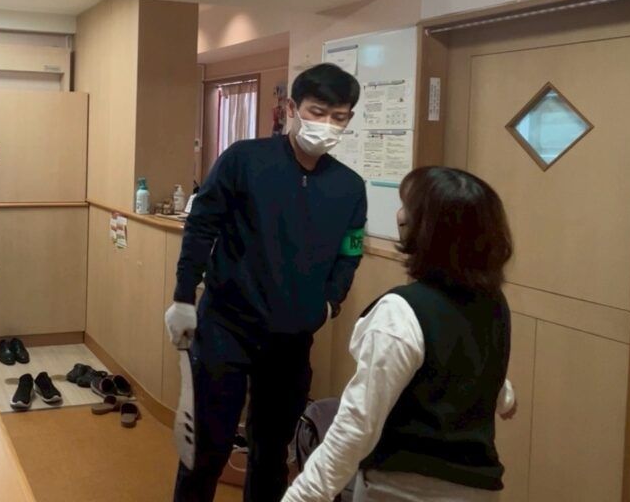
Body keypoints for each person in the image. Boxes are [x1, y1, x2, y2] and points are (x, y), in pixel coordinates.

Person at [166, 63, 368, 502]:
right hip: (226, 329)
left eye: (339, 117)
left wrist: (330, 303)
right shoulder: (244, 160)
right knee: (206, 448)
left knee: (271, 452)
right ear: (293, 108)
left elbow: (350, 253)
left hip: (291, 342)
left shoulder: (349, 187)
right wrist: (183, 297)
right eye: (317, 112)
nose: (327, 125)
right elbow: (201, 227)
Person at [282, 166, 517, 502]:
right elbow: (472, 366)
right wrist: (505, 397)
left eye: (407, 207)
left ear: (427, 228)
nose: (399, 216)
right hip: (479, 490)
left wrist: (300, 496)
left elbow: (356, 427)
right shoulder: (493, 304)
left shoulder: (400, 312)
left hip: (401, 491)